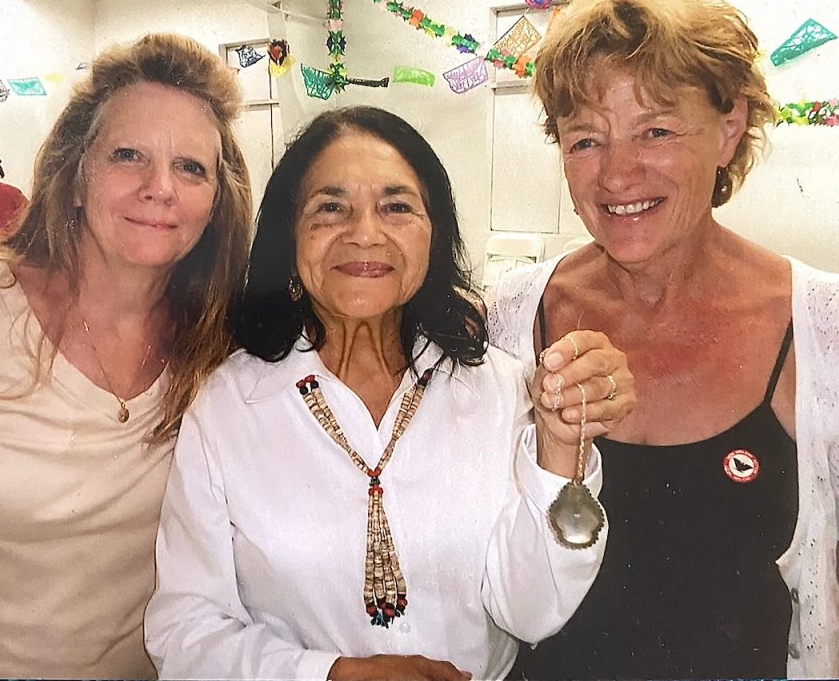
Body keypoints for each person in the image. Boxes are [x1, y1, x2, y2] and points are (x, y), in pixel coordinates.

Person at [145, 106, 636, 680]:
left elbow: (532, 613)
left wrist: (558, 446)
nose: (365, 234)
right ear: (289, 235)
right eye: (330, 208)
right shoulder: (229, 406)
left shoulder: (498, 389)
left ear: (435, 232)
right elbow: (185, 628)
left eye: (397, 207)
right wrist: (328, 675)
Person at [486, 0, 839, 678]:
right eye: (585, 141)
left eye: (656, 131)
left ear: (729, 129)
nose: (617, 174)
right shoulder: (508, 319)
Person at [0, 32, 251, 678]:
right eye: (128, 155)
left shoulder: (220, 343)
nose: (160, 187)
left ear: (214, 201)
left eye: (191, 167)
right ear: (77, 176)